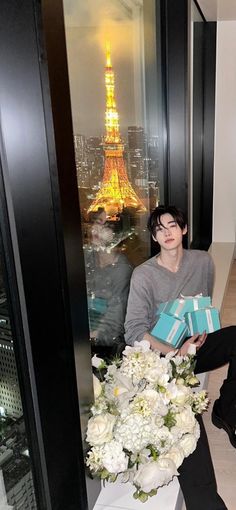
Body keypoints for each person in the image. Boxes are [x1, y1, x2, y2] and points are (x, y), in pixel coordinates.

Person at [125, 204, 236, 510]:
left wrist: (199, 337)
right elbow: (133, 331)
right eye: (159, 229)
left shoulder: (202, 261)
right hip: (161, 359)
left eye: (172, 225)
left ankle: (228, 410)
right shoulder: (144, 275)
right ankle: (206, 504)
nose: (167, 232)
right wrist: (175, 352)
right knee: (186, 416)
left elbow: (203, 303)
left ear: (184, 229)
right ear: (154, 237)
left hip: (194, 347)